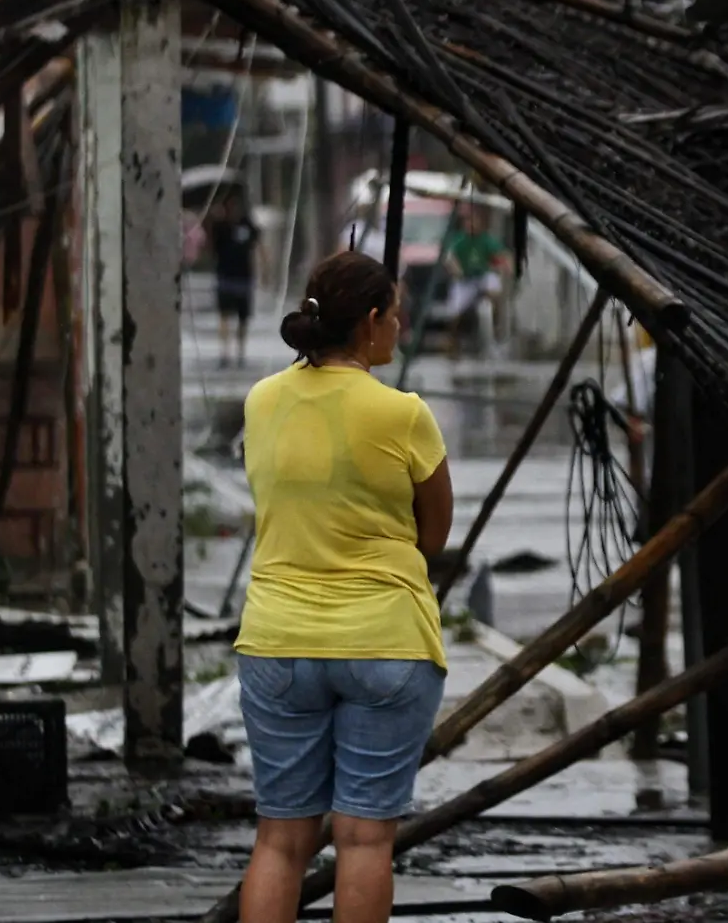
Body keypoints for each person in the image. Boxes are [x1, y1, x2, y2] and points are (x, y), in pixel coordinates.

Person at [236, 251, 454, 923]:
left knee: (280, 839)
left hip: (277, 644)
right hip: (384, 641)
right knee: (363, 839)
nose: (400, 322)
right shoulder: (404, 414)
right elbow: (434, 534)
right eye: (394, 311)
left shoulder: (262, 401)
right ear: (369, 322)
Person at [442, 205, 510, 356]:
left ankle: (497, 329)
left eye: (473, 221)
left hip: (482, 276)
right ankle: (452, 341)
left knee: (495, 291)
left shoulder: (486, 239)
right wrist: (455, 269)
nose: (470, 225)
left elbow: (501, 255)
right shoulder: (459, 239)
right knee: (454, 312)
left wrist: (503, 266)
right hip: (464, 280)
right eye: (468, 221)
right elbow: (449, 258)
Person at [209, 191, 262, 368]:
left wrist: (264, 269)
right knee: (224, 316)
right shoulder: (220, 226)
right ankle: (225, 353)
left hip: (244, 277)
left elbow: (257, 245)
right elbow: (211, 247)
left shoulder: (247, 224)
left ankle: (241, 353)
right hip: (225, 276)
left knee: (243, 318)